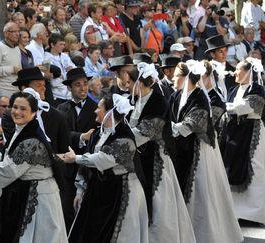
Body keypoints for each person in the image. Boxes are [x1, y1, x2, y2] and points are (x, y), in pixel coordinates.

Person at [0, 91, 67, 243]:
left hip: (39, 198)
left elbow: (9, 171)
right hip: (29, 192)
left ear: (34, 112)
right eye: (15, 107)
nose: (17, 112)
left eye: (23, 109)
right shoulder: (23, 130)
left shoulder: (30, 141)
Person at [58, 94, 148, 243]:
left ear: (109, 112)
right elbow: (88, 165)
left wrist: (76, 158)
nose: (95, 111)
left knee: (119, 235)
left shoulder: (125, 137)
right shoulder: (98, 134)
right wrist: (80, 191)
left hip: (122, 191)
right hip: (99, 192)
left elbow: (104, 159)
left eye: (99, 108)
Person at [169, 60, 243, 243]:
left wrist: (166, 128)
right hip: (182, 150)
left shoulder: (200, 99)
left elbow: (190, 126)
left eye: (176, 75)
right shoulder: (177, 96)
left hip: (199, 151)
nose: (172, 78)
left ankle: (205, 234)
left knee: (201, 191)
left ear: (186, 78)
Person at [128, 62, 196, 243]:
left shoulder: (158, 102)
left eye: (130, 82)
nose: (127, 86)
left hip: (156, 159)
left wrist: (122, 139)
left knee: (160, 204)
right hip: (139, 158)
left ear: (140, 83)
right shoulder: (134, 101)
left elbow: (146, 132)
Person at [221, 58, 265, 225]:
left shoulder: (258, 90)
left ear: (248, 72)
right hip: (236, 133)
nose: (235, 73)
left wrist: (224, 106)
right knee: (235, 168)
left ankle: (255, 214)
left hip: (253, 133)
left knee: (255, 169)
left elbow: (246, 108)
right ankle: (238, 212)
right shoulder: (233, 89)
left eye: (239, 70)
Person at [57, 67, 98, 230]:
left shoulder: (96, 108)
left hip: (88, 166)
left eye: (85, 84)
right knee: (66, 208)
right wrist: (80, 137)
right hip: (67, 168)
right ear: (69, 87)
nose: (83, 88)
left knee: (87, 209)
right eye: (78, 85)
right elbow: (62, 135)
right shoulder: (61, 109)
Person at [0, 21, 22, 105]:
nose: (17, 34)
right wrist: (11, 69)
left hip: (15, 88)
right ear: (6, 34)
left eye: (18, 31)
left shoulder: (17, 48)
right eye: (14, 31)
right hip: (2, 88)